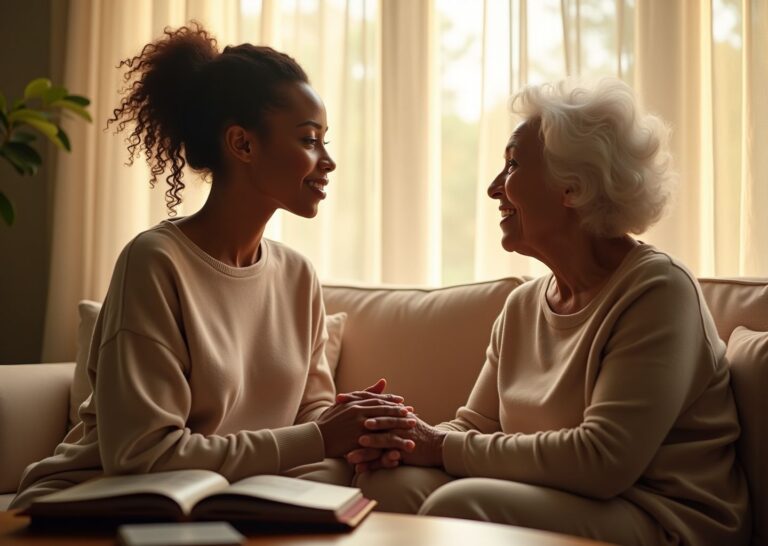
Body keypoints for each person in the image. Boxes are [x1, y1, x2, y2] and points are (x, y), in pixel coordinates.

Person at [11, 23, 416, 509]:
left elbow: (312, 424)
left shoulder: (298, 276)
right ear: (242, 144)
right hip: (95, 506)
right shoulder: (156, 263)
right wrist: (320, 438)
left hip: (228, 504)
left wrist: (362, 432)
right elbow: (141, 455)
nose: (327, 161)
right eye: (310, 140)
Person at [347, 79, 750, 545]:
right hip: (566, 498)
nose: (493, 188)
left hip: (663, 515)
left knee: (459, 508)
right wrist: (398, 440)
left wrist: (441, 446)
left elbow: (602, 461)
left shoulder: (658, 291)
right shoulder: (522, 306)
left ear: (573, 187)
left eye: (513, 165)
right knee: (390, 484)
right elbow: (474, 428)